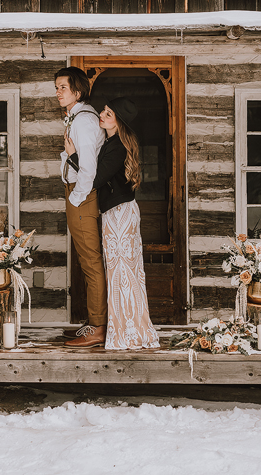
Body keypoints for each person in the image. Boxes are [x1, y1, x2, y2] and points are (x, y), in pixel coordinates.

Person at [66, 97, 160, 350]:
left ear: (119, 122)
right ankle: (122, 327)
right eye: (104, 110)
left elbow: (95, 179)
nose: (102, 114)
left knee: (123, 272)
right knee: (118, 271)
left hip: (120, 214)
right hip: (115, 212)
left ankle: (128, 331)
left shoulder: (117, 146)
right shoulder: (110, 142)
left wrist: (73, 156)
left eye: (109, 113)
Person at [55, 67, 108, 348]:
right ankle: (92, 322)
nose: (58, 92)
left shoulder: (84, 121)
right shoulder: (77, 117)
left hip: (82, 195)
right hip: (77, 193)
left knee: (90, 262)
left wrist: (75, 199)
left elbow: (89, 168)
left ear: (77, 90)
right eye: (57, 87)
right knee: (86, 261)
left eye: (63, 87)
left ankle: (98, 328)